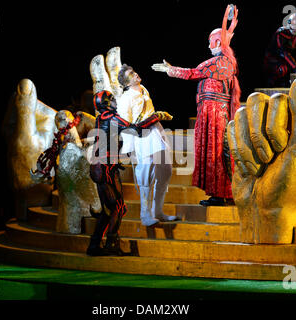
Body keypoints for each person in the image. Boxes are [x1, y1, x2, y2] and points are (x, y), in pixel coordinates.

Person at [151, 4, 241, 206]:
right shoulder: (226, 62)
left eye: (212, 42)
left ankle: (221, 194)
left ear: (217, 42)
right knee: (219, 153)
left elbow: (192, 73)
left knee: (216, 153)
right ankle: (223, 193)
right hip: (216, 113)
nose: (209, 46)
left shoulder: (218, 63)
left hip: (214, 115)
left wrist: (170, 70)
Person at [87, 90, 172, 256]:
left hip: (98, 166)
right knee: (118, 207)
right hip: (106, 168)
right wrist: (156, 117)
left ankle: (94, 245)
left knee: (109, 209)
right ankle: (111, 245)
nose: (114, 101)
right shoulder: (113, 118)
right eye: (111, 99)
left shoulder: (100, 118)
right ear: (105, 103)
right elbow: (137, 129)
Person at [117, 64, 178, 225]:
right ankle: (145, 215)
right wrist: (130, 148)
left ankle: (158, 211)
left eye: (134, 71)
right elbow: (125, 123)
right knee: (146, 173)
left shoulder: (143, 89)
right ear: (126, 83)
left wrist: (158, 116)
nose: (136, 74)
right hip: (142, 136)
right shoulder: (126, 97)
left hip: (156, 132)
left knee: (165, 170)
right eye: (131, 74)